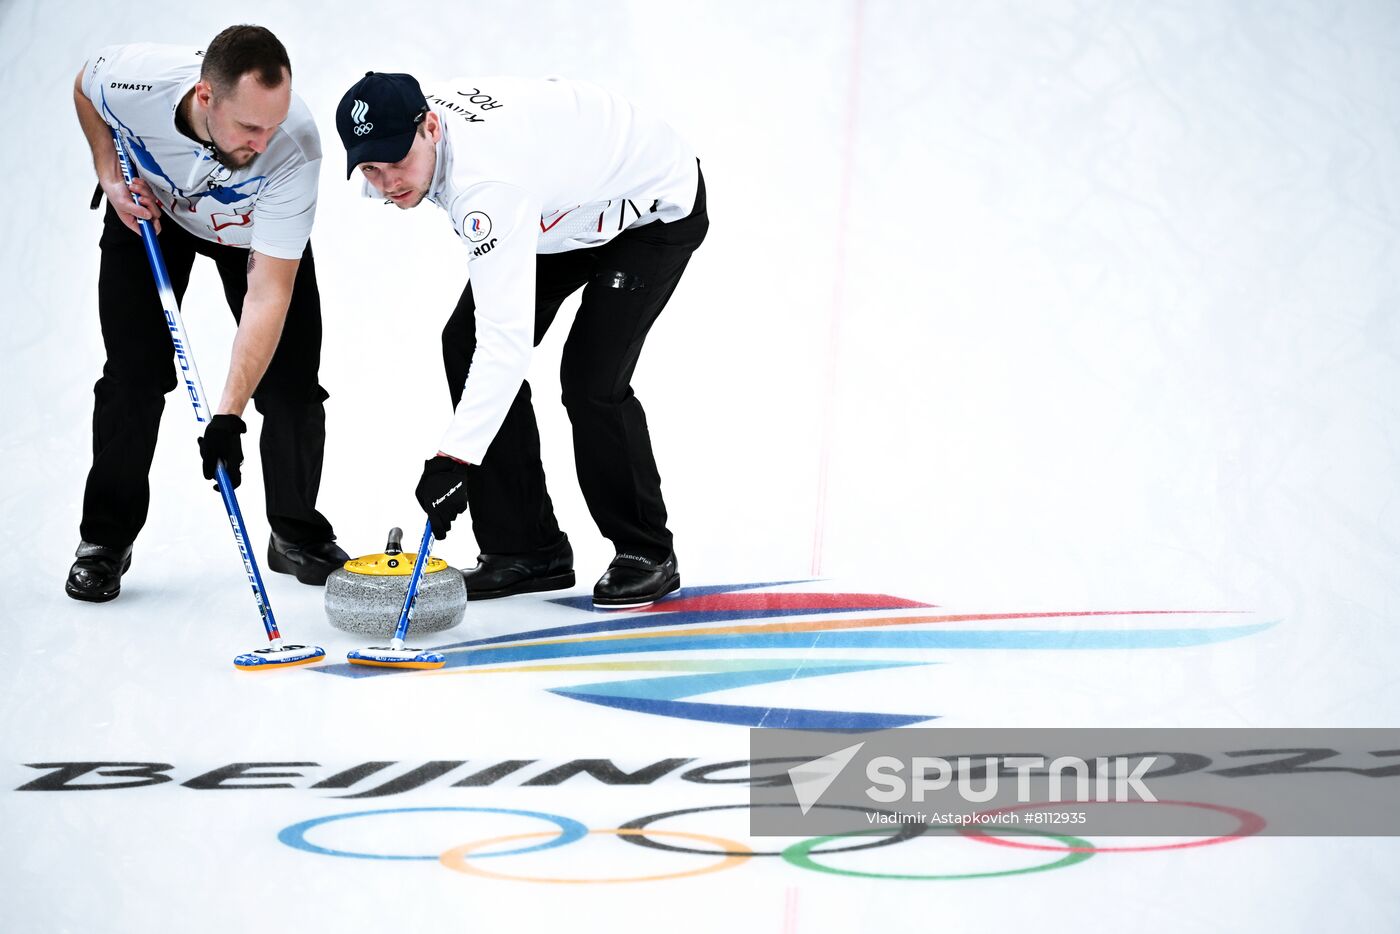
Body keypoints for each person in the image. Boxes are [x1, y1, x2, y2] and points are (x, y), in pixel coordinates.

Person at [335, 71, 708, 609]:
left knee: (590, 381)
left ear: (431, 128)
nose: (389, 181)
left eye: (398, 161)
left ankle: (646, 553)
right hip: (562, 211)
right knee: (463, 341)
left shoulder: (486, 186)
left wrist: (454, 460)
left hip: (650, 206)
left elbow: (505, 344)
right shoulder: (425, 137)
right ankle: (525, 550)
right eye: (371, 168)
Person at [68, 24, 348, 602]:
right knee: (134, 378)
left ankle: (294, 534)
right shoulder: (133, 78)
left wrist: (228, 416)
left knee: (292, 388)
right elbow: (85, 88)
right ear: (205, 97)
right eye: (249, 127)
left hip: (248, 235)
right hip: (150, 215)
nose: (264, 141)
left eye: (274, 123)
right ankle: (103, 540)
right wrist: (109, 177)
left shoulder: (294, 148)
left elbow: (268, 295)